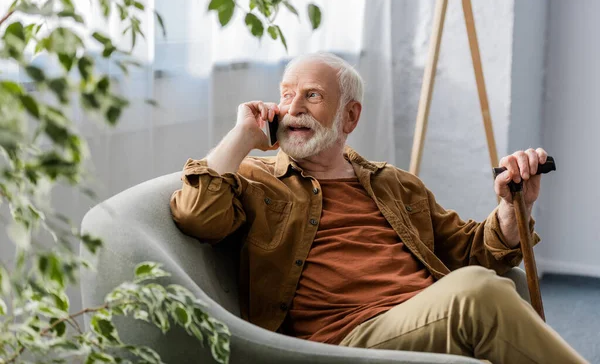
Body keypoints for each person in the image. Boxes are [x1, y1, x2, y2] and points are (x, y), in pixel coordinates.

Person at [170, 52, 586, 363]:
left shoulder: (394, 184)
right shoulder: (255, 179)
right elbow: (196, 215)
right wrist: (242, 135)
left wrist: (515, 205)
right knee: (478, 293)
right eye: (285, 95)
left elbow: (474, 250)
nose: (293, 107)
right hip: (344, 339)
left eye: (311, 95)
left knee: (486, 286)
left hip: (421, 317)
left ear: (349, 117)